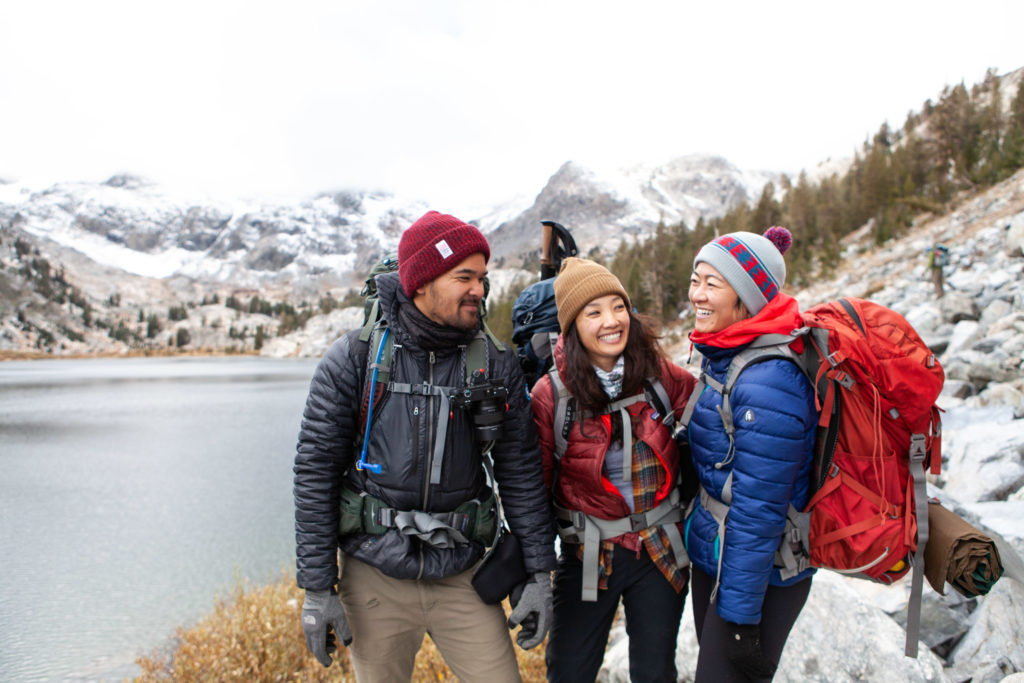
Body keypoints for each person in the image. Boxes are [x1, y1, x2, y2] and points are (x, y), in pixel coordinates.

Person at [293, 210, 557, 682]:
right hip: (373, 574)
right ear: (422, 281)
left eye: (482, 277)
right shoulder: (354, 358)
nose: (479, 289)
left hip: (464, 575)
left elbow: (519, 470)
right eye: (464, 277)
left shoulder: (494, 363)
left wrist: (538, 573)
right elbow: (315, 472)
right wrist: (317, 589)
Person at [528, 257, 697, 682]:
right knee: (568, 671)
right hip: (588, 555)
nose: (611, 321)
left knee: (656, 672)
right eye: (594, 311)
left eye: (618, 306)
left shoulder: (657, 372)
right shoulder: (551, 395)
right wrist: (533, 569)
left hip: (660, 550)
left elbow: (708, 419)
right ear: (572, 326)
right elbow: (532, 487)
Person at [681, 227, 817, 682]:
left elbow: (759, 510)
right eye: (696, 279)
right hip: (722, 558)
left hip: (763, 575)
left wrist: (740, 618)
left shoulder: (769, 381)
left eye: (712, 284)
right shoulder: (726, 351)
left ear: (747, 297)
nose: (697, 295)